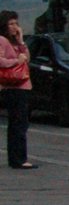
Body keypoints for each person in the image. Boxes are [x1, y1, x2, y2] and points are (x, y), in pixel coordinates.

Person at [0, 11, 33, 170]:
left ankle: (18, 157)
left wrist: (21, 41)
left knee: (21, 123)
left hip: (22, 85)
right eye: (11, 23)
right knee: (18, 123)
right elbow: (1, 61)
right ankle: (19, 159)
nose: (15, 27)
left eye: (16, 23)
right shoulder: (1, 40)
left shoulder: (15, 42)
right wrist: (15, 60)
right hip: (12, 86)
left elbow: (27, 57)